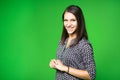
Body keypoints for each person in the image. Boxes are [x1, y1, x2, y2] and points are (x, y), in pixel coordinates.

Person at [49, 5, 96, 80]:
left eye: (73, 20)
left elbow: (91, 75)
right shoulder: (62, 41)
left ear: (79, 21)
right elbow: (63, 66)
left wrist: (65, 68)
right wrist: (56, 65)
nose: (68, 24)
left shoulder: (84, 45)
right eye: (65, 20)